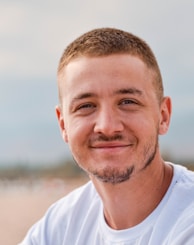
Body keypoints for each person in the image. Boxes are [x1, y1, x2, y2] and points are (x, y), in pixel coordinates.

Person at [19, 27, 194, 245]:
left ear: (163, 116)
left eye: (128, 102)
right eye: (86, 106)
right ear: (63, 124)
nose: (107, 127)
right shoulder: (60, 226)